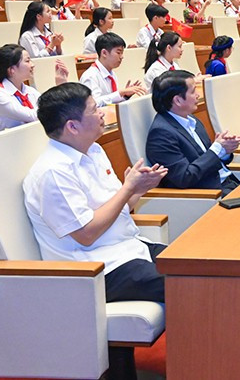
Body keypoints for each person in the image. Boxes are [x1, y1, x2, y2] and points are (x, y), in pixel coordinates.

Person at [23, 83, 169, 303]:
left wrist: (138, 190)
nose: (102, 112)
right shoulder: (53, 172)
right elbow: (86, 234)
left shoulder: (94, 149)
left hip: (129, 248)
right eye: (94, 109)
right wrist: (128, 188)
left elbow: (118, 208)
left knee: (197, 263)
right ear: (72, 126)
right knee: (186, 282)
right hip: (98, 269)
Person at [145, 70, 240, 194]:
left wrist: (224, 151)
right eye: (193, 91)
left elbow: (206, 159)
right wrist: (217, 149)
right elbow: (184, 177)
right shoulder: (161, 134)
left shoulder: (191, 119)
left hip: (228, 183)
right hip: (210, 195)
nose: (198, 95)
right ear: (178, 100)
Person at [0, 44, 68, 132]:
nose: (32, 65)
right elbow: (36, 116)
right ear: (12, 70)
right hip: (6, 143)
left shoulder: (30, 91)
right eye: (27, 61)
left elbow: (48, 109)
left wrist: (61, 86)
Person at [80, 33, 145, 106]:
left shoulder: (112, 74)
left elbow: (112, 103)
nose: (122, 57)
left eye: (122, 53)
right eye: (118, 52)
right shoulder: (90, 76)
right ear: (104, 53)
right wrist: (120, 93)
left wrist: (125, 95)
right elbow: (94, 104)